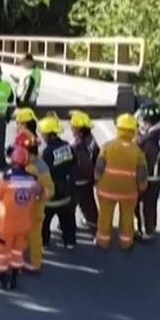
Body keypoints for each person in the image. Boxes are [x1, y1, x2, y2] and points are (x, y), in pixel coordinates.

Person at [93, 112, 148, 251]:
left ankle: (103, 242)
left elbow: (99, 166)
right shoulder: (138, 152)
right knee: (127, 218)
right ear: (133, 131)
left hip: (106, 190)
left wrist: (97, 179)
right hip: (128, 193)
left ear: (118, 129)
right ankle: (126, 242)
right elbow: (142, 174)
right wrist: (142, 187)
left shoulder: (107, 146)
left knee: (104, 216)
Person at [0, 147, 43, 290]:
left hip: (6, 223)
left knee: (2, 251)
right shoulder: (33, 179)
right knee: (17, 250)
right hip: (24, 223)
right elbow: (40, 194)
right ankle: (13, 277)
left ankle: (1, 278)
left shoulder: (7, 178)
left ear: (12, 161)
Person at [135, 103, 160, 243]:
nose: (139, 124)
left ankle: (146, 233)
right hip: (157, 177)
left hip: (149, 178)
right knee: (151, 205)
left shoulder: (150, 141)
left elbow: (146, 159)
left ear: (148, 122)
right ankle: (151, 227)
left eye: (141, 121)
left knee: (143, 206)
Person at [18, 127, 55, 271]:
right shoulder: (24, 163)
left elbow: (50, 190)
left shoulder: (39, 167)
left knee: (34, 237)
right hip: (22, 209)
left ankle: (35, 263)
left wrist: (38, 194)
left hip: (34, 210)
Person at [38, 114, 76, 249]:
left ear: (48, 134)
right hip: (66, 192)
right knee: (67, 220)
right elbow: (73, 163)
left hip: (51, 195)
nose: (41, 136)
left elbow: (42, 172)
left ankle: (44, 242)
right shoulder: (67, 146)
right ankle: (70, 242)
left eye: (43, 133)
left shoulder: (46, 152)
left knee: (44, 220)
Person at [68, 111, 100, 232]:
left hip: (78, 180)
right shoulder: (91, 140)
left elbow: (79, 164)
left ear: (78, 129)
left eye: (73, 127)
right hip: (89, 179)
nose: (71, 129)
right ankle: (93, 222)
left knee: (70, 205)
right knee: (88, 203)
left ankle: (69, 225)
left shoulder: (76, 146)